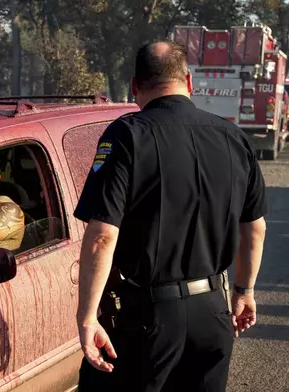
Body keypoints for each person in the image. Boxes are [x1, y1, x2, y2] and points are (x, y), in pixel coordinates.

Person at [73, 40, 267, 392]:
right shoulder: (235, 138)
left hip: (149, 320)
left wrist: (87, 317)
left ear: (135, 87)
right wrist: (244, 290)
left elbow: (102, 236)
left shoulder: (127, 135)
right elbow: (255, 229)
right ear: (189, 82)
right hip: (213, 313)